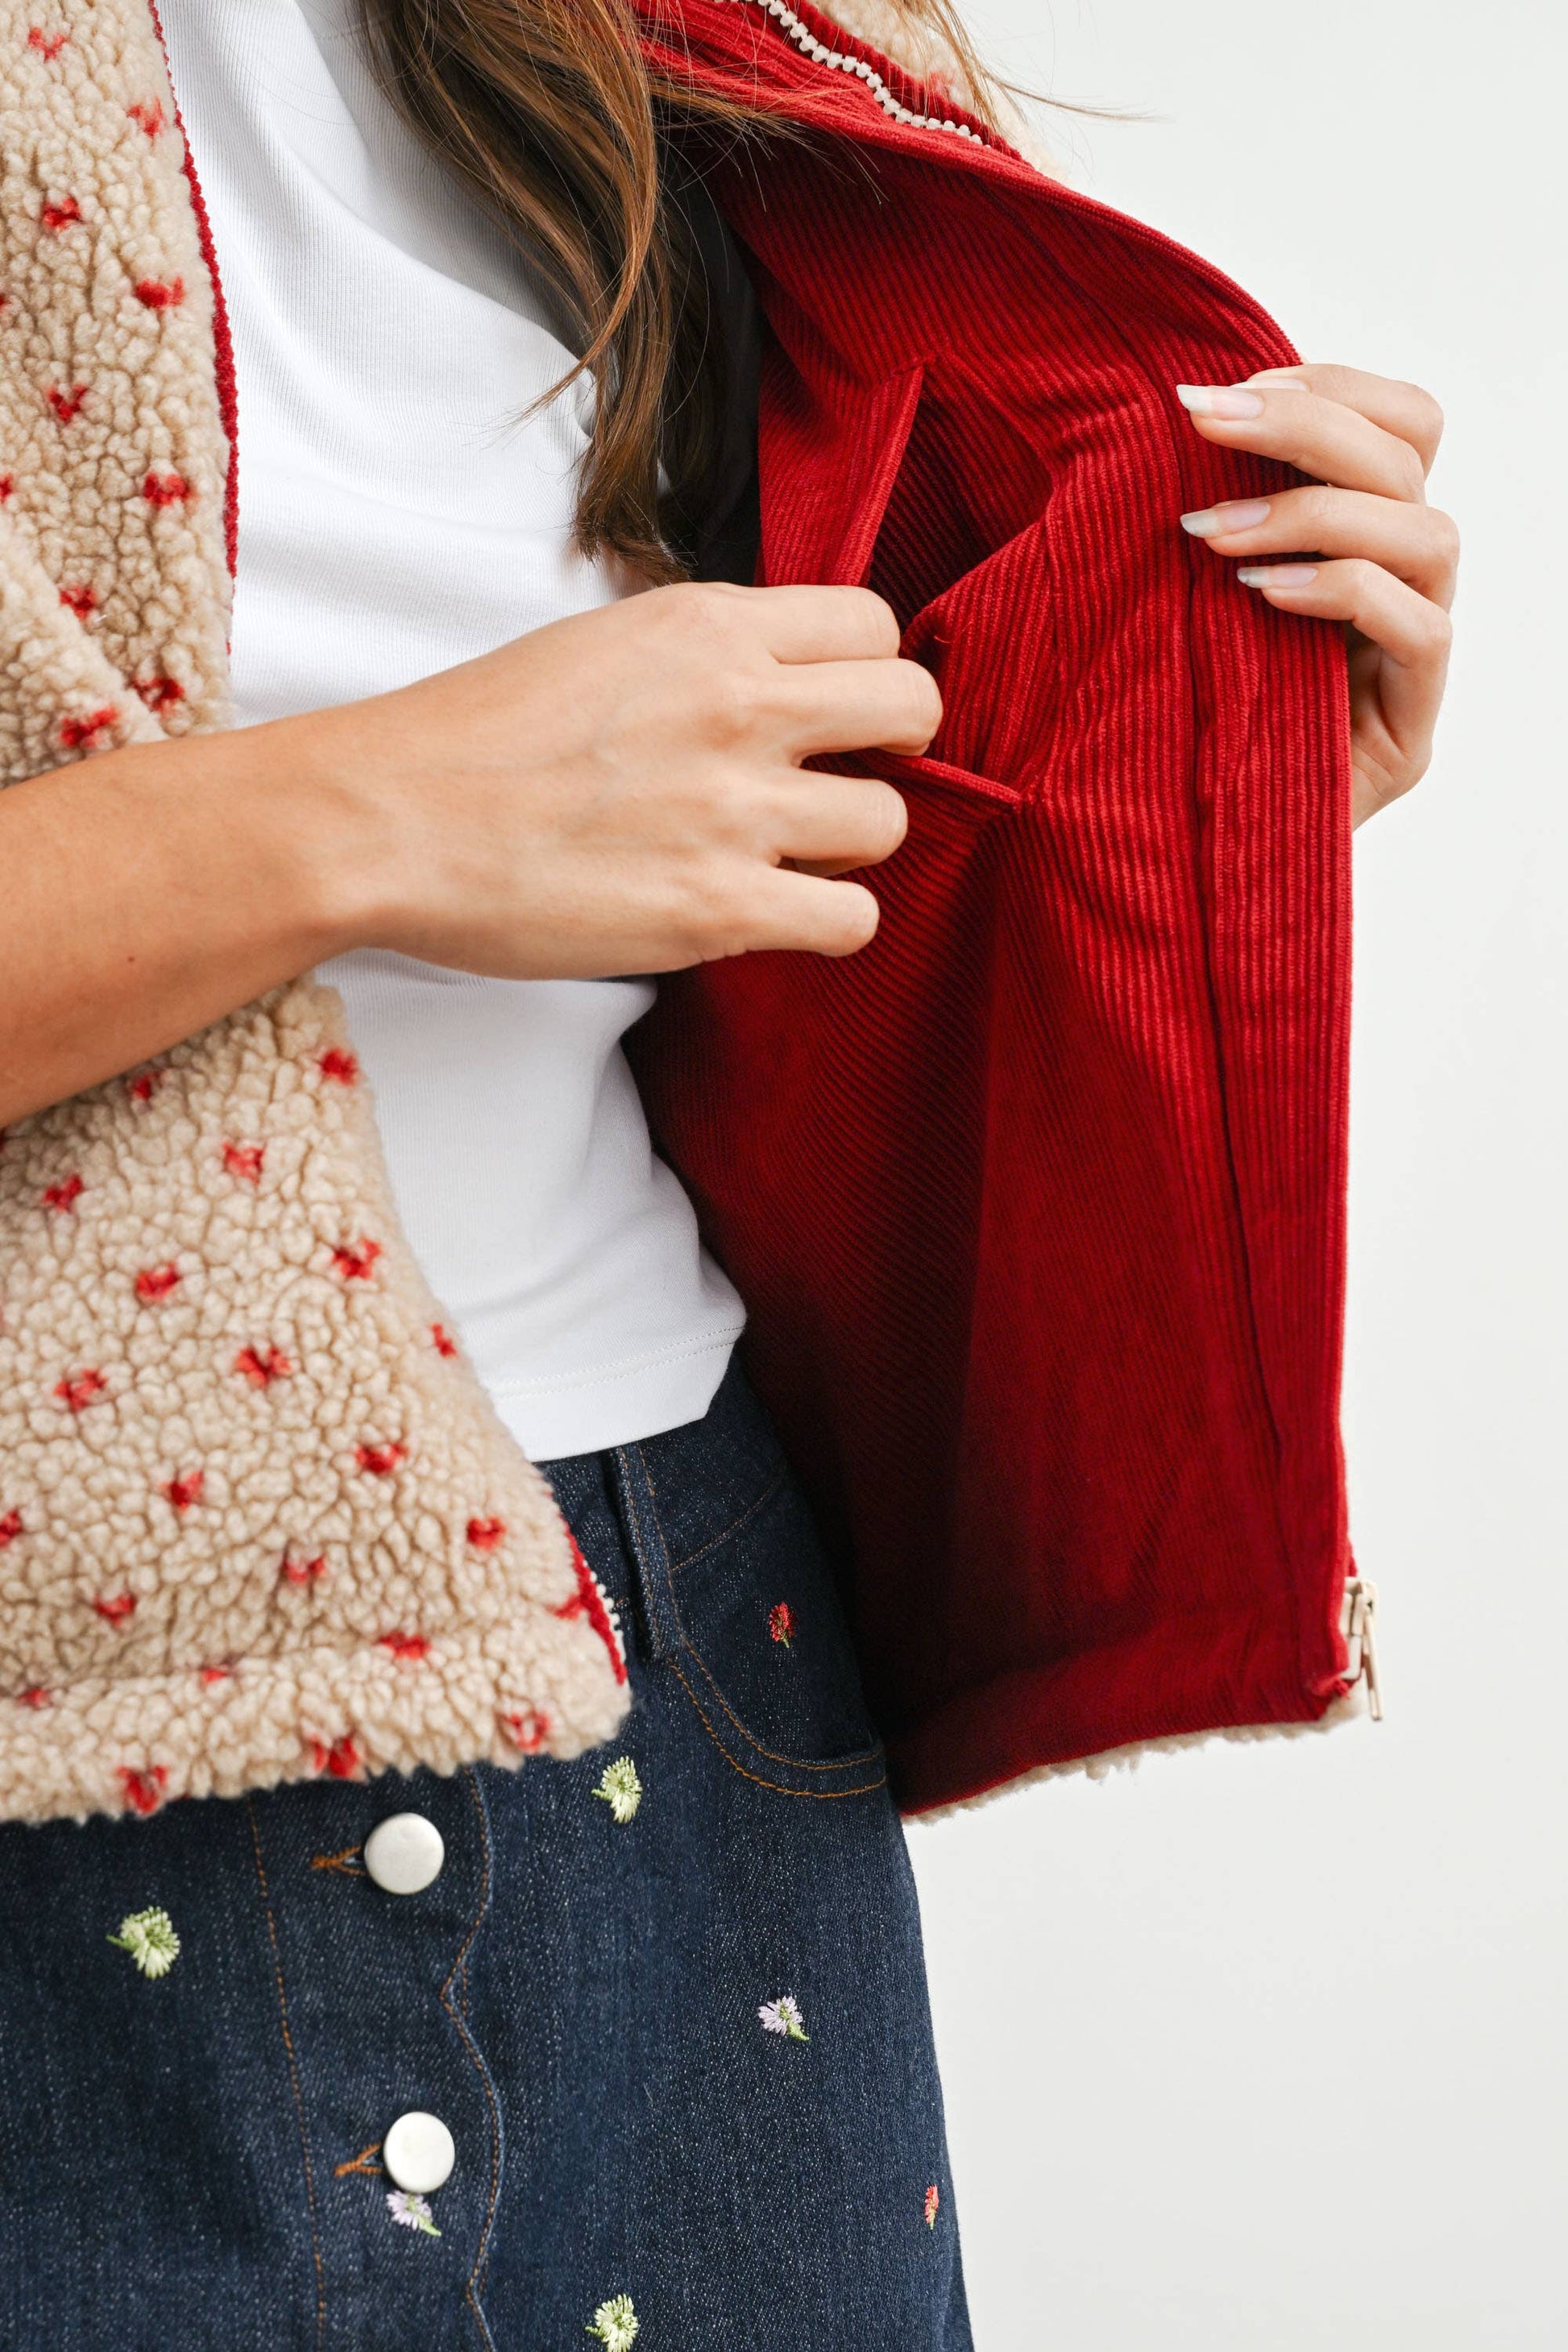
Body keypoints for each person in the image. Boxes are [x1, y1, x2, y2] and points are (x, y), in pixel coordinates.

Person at [0, 0, 1457, 2342]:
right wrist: (373, 815)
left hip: (673, 1652)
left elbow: (733, 926)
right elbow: (476, 800)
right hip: (67, 1768)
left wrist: (1162, 757)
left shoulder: (618, 37)